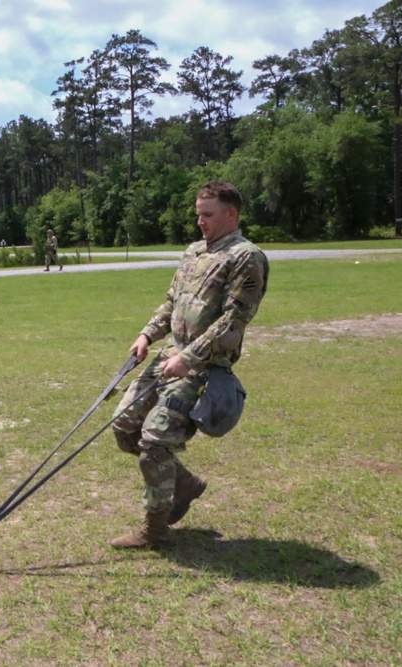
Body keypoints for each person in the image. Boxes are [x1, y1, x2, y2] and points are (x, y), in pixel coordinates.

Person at [109, 180, 269, 549]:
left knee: (154, 443)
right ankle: (185, 484)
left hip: (203, 367)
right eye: (198, 214)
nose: (200, 222)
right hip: (168, 357)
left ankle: (155, 530)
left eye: (208, 215)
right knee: (123, 427)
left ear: (231, 214)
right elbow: (171, 303)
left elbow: (233, 321)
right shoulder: (194, 252)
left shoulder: (246, 257)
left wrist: (189, 358)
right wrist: (147, 335)